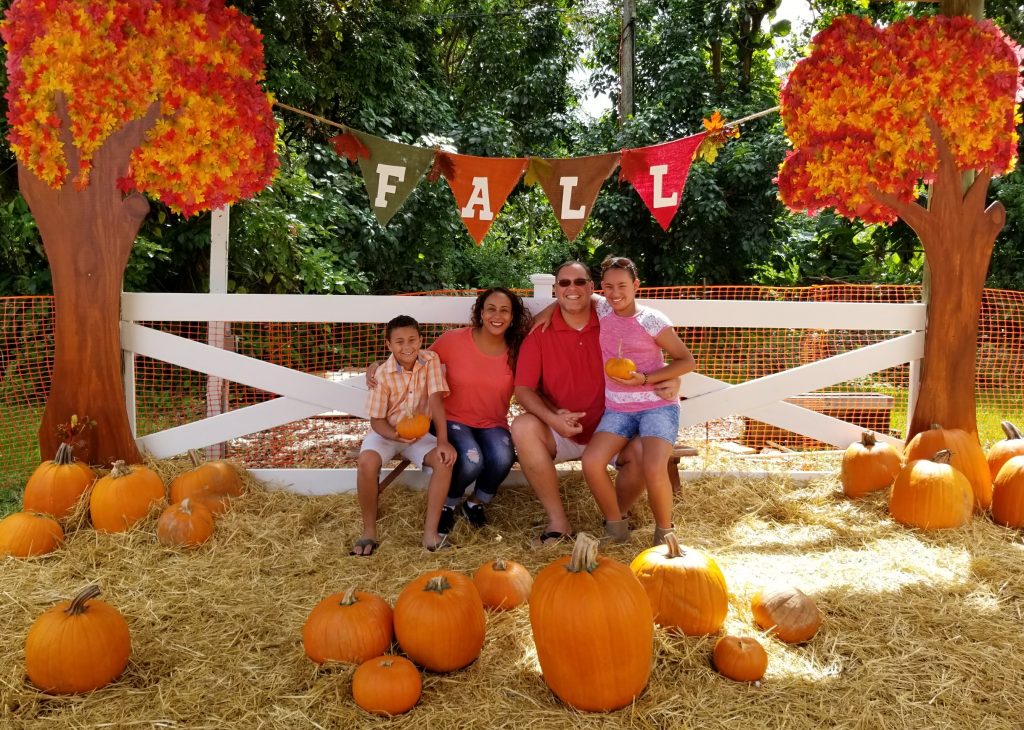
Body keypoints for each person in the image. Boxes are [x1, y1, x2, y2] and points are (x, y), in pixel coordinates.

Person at [511, 261, 679, 547]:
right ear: (555, 290)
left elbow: (651, 349)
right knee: (522, 426)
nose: (572, 289)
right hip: (561, 428)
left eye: (580, 282)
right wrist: (553, 418)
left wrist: (673, 380)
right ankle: (558, 523)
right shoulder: (539, 332)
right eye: (564, 283)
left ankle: (616, 518)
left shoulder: (611, 318)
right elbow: (523, 390)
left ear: (591, 287)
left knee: (641, 451)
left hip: (613, 424)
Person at [581, 256, 696, 546]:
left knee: (654, 466)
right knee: (592, 461)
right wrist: (544, 315)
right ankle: (615, 527)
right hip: (618, 409)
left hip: (657, 405)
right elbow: (574, 295)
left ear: (636, 285)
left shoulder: (651, 320)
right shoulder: (603, 308)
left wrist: (646, 378)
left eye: (622, 285)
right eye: (608, 286)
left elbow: (686, 360)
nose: (615, 293)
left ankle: (664, 535)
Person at [427, 287, 532, 532]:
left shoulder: (518, 351)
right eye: (491, 309)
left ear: (513, 317)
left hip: (492, 421)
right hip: (451, 418)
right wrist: (381, 365)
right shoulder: (452, 340)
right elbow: (417, 364)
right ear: (481, 313)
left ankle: (475, 504)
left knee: (502, 457)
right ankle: (447, 505)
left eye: (505, 310)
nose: (498, 315)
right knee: (472, 459)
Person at [351, 315, 456, 555]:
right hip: (387, 432)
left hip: (419, 433)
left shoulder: (431, 360)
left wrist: (442, 441)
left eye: (412, 340)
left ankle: (430, 535)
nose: (406, 347)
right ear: (388, 345)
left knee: (444, 461)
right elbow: (376, 420)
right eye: (399, 342)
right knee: (366, 462)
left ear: (421, 340)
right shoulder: (383, 374)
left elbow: (436, 401)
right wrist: (395, 435)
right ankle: (369, 531)